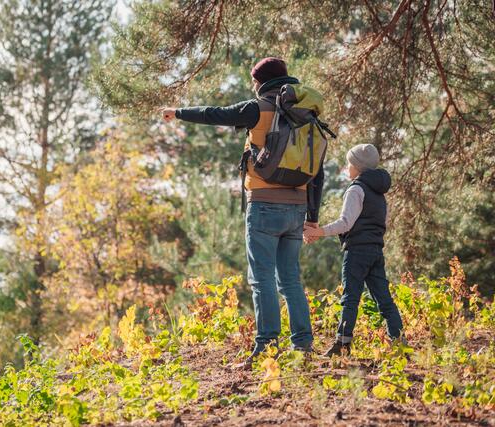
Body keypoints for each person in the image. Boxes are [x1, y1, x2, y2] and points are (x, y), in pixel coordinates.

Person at [162, 57, 324, 366]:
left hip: (264, 204)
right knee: (290, 279)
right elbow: (318, 170)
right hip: (298, 206)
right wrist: (311, 217)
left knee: (261, 277)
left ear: (260, 82)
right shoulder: (307, 115)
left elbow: (216, 114)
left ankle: (267, 346)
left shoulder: (258, 107)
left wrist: (178, 113)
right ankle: (303, 345)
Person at [303, 144, 404, 356]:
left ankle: (342, 344)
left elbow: (345, 223)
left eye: (349, 163)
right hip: (376, 251)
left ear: (358, 166)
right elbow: (383, 222)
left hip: (357, 251)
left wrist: (318, 232)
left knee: (350, 298)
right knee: (384, 299)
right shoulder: (379, 194)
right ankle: (400, 342)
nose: (347, 167)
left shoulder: (356, 189)